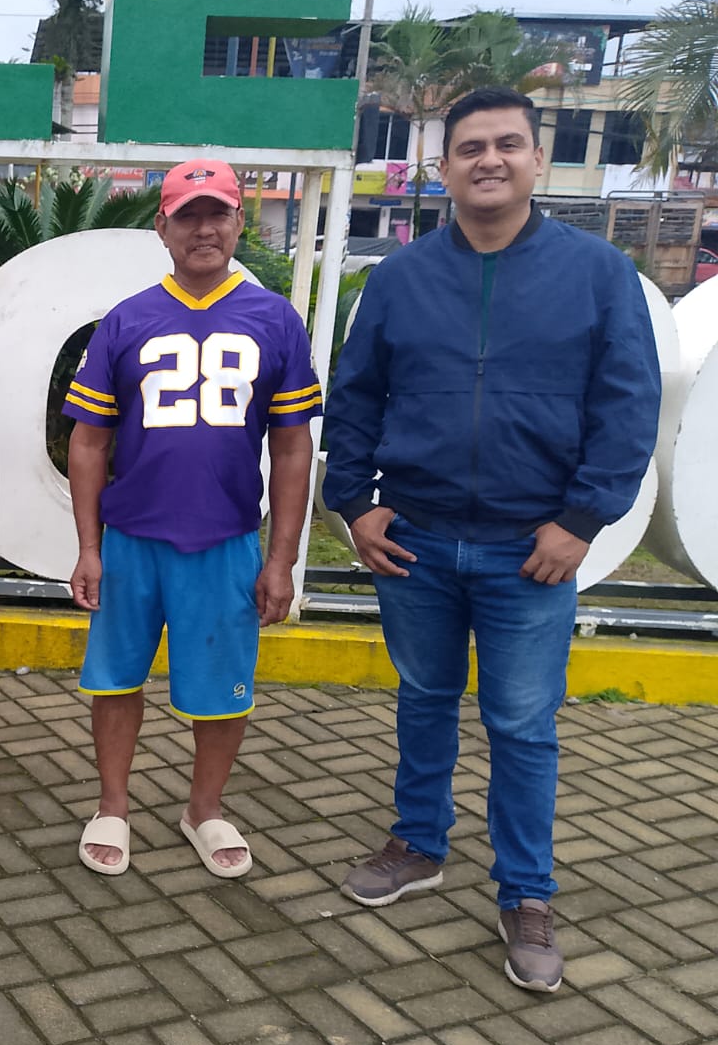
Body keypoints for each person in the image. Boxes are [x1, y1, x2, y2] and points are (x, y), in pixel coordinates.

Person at [323, 87, 660, 992]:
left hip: (531, 549)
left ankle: (527, 893)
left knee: (521, 725)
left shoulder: (597, 273)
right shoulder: (399, 278)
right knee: (424, 698)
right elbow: (355, 398)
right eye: (470, 148)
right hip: (418, 540)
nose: (490, 160)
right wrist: (354, 503)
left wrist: (581, 522)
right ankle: (418, 844)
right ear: (444, 169)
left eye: (508, 144)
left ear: (535, 160)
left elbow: (628, 406)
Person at [66, 160, 322, 879]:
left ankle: (204, 809)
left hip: (226, 539)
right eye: (188, 215)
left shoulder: (275, 319)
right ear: (162, 227)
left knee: (222, 688)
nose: (204, 229)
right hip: (132, 538)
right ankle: (112, 805)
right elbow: (88, 443)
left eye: (217, 214)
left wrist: (282, 559)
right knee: (114, 679)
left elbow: (293, 446)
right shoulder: (126, 319)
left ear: (240, 222)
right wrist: (88, 547)